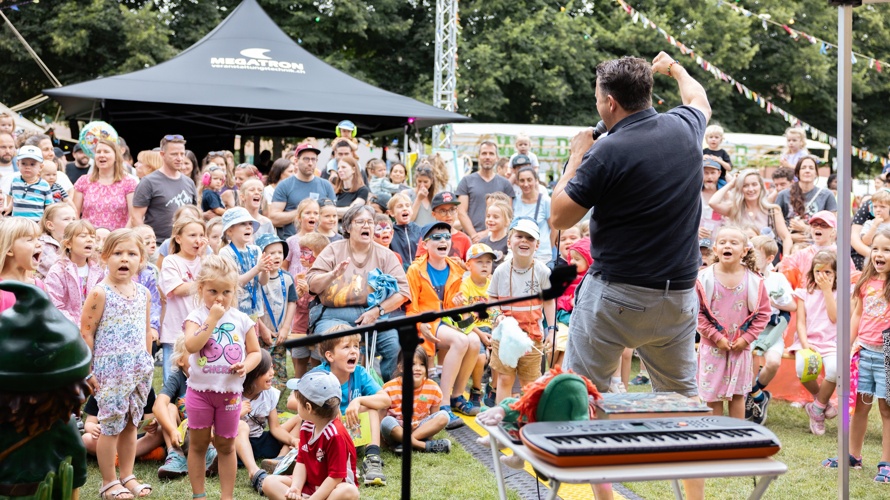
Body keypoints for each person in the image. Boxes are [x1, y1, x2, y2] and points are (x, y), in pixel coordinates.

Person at [550, 52, 711, 500]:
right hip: (677, 297)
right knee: (684, 407)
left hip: (617, 295)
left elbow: (560, 216)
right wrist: (676, 68)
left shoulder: (606, 151)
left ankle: (606, 497)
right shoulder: (685, 128)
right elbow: (699, 96)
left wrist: (577, 154)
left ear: (609, 104)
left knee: (585, 396)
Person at [80, 229, 155, 500]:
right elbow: (86, 331)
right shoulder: (101, 292)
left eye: (131, 254)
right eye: (118, 253)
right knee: (110, 426)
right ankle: (108, 482)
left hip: (138, 370)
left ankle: (127, 475)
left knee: (131, 425)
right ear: (104, 258)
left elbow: (147, 330)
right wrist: (88, 370)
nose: (125, 259)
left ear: (141, 260)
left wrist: (147, 360)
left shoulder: (144, 292)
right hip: (110, 371)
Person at [182, 254, 262, 500]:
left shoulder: (242, 319)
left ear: (234, 291)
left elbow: (256, 352)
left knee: (226, 445)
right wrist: (212, 319)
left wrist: (245, 366)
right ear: (201, 289)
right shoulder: (196, 317)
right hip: (199, 393)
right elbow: (192, 345)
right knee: (198, 444)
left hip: (229, 394)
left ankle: (226, 496)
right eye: (213, 291)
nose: (220, 298)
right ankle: (199, 495)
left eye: (226, 292)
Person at [306, 205, 409, 382]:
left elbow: (404, 292)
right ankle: (336, 394)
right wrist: (332, 275)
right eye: (360, 222)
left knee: (394, 346)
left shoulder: (385, 254)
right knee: (335, 345)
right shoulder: (333, 250)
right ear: (347, 227)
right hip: (333, 316)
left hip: (374, 316)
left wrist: (377, 311)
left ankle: (389, 396)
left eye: (370, 222)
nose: (366, 226)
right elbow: (312, 285)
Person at [823, 227, 890, 480]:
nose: (879, 254)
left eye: (887, 249)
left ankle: (886, 462)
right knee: (859, 407)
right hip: (863, 351)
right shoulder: (865, 281)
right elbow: (858, 315)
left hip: (887, 354)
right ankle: (853, 456)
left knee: (886, 410)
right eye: (875, 248)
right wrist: (847, 346)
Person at [408, 221, 482, 423]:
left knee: (475, 342)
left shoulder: (456, 268)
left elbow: (452, 307)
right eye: (437, 237)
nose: (443, 241)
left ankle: (458, 396)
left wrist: (457, 303)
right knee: (461, 342)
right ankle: (443, 404)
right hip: (428, 323)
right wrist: (419, 324)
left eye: (447, 237)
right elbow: (411, 306)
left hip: (447, 321)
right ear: (425, 244)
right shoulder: (415, 270)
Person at [298, 330, 391, 487]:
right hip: (325, 431)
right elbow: (294, 402)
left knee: (370, 409)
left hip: (351, 430)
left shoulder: (359, 373)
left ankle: (373, 458)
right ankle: (296, 458)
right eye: (346, 347)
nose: (354, 350)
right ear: (330, 356)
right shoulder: (319, 374)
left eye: (356, 346)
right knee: (304, 416)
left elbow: (386, 400)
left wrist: (359, 400)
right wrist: (327, 410)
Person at [696, 226, 770, 420]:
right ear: (715, 249)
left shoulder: (754, 281)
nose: (727, 245)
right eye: (722, 242)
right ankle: (714, 440)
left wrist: (746, 339)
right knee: (713, 398)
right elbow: (697, 313)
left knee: (737, 396)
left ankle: (736, 439)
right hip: (713, 348)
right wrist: (716, 337)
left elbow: (763, 314)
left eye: (733, 243)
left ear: (744, 250)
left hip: (740, 349)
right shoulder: (703, 279)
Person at [261, 371, 359, 500]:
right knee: (269, 482)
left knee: (349, 491)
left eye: (297, 400)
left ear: (308, 407)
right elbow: (302, 461)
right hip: (311, 485)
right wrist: (296, 487)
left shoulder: (335, 435)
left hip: (332, 490)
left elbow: (335, 477)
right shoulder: (306, 426)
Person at [487, 218, 555, 403]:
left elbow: (549, 301)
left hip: (532, 336)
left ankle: (529, 418)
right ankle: (502, 417)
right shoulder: (501, 271)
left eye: (530, 238)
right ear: (509, 242)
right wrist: (497, 316)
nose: (524, 241)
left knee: (530, 382)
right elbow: (491, 297)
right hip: (504, 336)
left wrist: (552, 329)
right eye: (519, 236)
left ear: (538, 245)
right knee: (505, 378)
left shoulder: (542, 271)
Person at [745, 236, 796, 425]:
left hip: (771, 329)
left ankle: (754, 393)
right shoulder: (745, 275)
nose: (750, 257)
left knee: (773, 362)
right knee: (747, 362)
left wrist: (771, 301)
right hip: (748, 329)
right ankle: (758, 397)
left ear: (769, 258)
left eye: (756, 253)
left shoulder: (777, 278)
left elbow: (792, 306)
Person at [236, 351, 299, 495]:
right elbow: (219, 425)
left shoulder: (270, 394)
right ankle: (254, 471)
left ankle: (280, 459)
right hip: (239, 446)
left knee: (300, 418)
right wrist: (237, 415)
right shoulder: (235, 393)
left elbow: (275, 428)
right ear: (253, 373)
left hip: (261, 441)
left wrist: (292, 440)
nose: (272, 373)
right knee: (241, 426)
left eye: (272, 368)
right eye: (267, 370)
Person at [792, 251, 839, 436]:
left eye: (828, 272)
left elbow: (834, 317)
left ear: (835, 274)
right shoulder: (804, 293)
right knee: (802, 369)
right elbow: (801, 322)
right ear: (812, 272)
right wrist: (805, 344)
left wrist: (827, 291)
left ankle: (817, 408)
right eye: (819, 271)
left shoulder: (839, 293)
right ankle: (823, 402)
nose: (823, 276)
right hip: (808, 342)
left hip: (831, 343)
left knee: (835, 371)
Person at [159, 216, 207, 381]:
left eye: (201, 235)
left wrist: (204, 259)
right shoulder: (170, 261)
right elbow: (178, 289)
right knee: (172, 379)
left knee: (199, 378)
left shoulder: (205, 262)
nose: (198, 240)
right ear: (178, 238)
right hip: (175, 332)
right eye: (193, 235)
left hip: (200, 331)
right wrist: (204, 284)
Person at [380, 347, 451, 453]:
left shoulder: (433, 388)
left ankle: (404, 444)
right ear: (401, 367)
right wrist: (381, 443)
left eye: (422, 364)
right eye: (412, 364)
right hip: (397, 431)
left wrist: (427, 434)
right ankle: (423, 445)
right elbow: (380, 419)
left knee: (444, 416)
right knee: (386, 422)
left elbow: (433, 418)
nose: (418, 368)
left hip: (420, 429)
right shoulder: (388, 388)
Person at [709, 168, 793, 257]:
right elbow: (713, 202)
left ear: (761, 186)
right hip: (740, 261)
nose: (751, 189)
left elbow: (786, 237)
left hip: (766, 261)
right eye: (745, 185)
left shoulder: (772, 210)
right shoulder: (734, 210)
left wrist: (786, 256)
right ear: (741, 189)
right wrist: (732, 184)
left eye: (754, 184)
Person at [132, 135, 198, 243]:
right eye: (174, 154)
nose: (179, 158)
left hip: (185, 245)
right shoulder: (148, 182)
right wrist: (147, 243)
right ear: (162, 154)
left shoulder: (189, 182)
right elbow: (136, 217)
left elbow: (196, 215)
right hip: (158, 245)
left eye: (182, 154)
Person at [255, 233, 298, 390]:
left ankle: (276, 404)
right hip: (260, 333)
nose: (276, 256)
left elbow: (292, 302)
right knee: (259, 368)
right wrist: (262, 328)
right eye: (271, 253)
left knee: (279, 370)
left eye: (279, 252)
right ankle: (258, 399)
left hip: (279, 333)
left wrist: (286, 328)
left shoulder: (287, 278)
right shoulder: (257, 279)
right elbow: (253, 307)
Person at [269, 144, 336, 240]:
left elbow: (333, 219)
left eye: (313, 159)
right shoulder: (284, 185)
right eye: (306, 159)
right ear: (296, 161)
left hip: (320, 244)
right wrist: (303, 212)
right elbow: (274, 218)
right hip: (292, 243)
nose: (310, 163)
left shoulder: (326, 185)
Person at [71, 139, 137, 232]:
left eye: (106, 152)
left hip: (117, 240)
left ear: (116, 156)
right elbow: (74, 213)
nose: (102, 155)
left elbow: (133, 215)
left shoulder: (129, 182)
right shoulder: (83, 181)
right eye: (98, 152)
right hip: (89, 238)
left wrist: (121, 237)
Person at [218, 207, 272, 320]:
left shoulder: (256, 250)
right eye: (243, 223)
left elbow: (263, 282)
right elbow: (235, 283)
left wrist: (265, 269)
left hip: (255, 311)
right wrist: (257, 268)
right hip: (235, 312)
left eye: (250, 223)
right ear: (230, 231)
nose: (248, 227)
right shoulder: (225, 252)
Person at [45, 220, 102, 324]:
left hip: (93, 328)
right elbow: (55, 305)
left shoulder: (98, 271)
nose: (89, 240)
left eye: (93, 237)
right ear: (68, 243)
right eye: (83, 236)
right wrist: (76, 325)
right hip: (69, 329)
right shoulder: (58, 271)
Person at [456, 141, 515, 243]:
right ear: (478, 157)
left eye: (491, 153)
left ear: (496, 158)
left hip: (498, 241)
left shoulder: (505, 184)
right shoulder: (466, 181)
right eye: (484, 153)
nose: (487, 157)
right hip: (470, 240)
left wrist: (486, 234)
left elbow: (508, 215)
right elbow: (461, 212)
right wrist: (474, 236)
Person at [775, 155, 837, 243]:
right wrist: (789, 237)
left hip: (817, 246)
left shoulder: (827, 195)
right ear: (797, 173)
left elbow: (833, 229)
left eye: (811, 168)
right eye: (803, 168)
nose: (807, 171)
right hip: (788, 244)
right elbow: (776, 227)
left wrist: (805, 228)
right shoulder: (783, 195)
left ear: (816, 173)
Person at [0, 217, 44, 313]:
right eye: (30, 239)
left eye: (38, 238)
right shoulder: (1, 290)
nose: (39, 244)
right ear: (9, 250)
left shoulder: (38, 285)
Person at [416, 191, 472, 263]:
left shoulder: (464, 239)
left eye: (452, 210)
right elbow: (418, 264)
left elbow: (471, 267)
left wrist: (461, 265)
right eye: (442, 211)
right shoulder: (427, 236)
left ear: (457, 211)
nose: (448, 215)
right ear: (434, 214)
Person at [514, 165, 553, 265]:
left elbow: (554, 229)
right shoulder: (515, 201)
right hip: (519, 255)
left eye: (529, 180)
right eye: (522, 180)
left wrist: (549, 247)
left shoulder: (545, 201)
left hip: (541, 256)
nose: (526, 184)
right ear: (517, 182)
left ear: (536, 180)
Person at [7, 145, 52, 220]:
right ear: (18, 164)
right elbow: (12, 198)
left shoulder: (44, 185)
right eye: (23, 163)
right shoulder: (15, 181)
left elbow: (49, 207)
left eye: (32, 164)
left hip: (36, 224)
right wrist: (8, 208)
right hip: (16, 223)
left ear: (40, 167)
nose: (27, 167)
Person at [36, 202, 77, 279]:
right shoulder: (43, 244)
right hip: (46, 288)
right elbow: (58, 271)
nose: (72, 223)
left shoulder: (72, 243)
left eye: (74, 219)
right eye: (66, 219)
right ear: (50, 225)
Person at [388, 193, 422, 269]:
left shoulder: (420, 230)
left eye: (407, 205)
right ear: (392, 213)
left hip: (418, 273)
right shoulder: (389, 232)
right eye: (400, 206)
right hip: (399, 273)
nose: (404, 208)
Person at [480, 198, 512, 271]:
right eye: (488, 216)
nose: (490, 219)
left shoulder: (509, 243)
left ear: (507, 221)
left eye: (496, 217)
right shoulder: (482, 243)